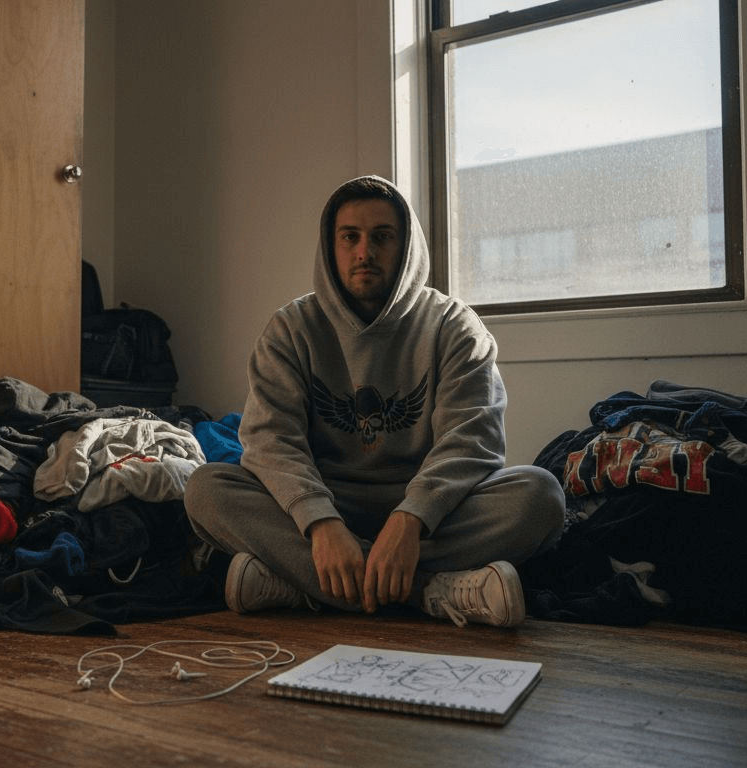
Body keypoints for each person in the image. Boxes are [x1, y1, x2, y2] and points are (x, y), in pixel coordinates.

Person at [184, 175, 565, 627]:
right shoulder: (290, 329)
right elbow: (270, 441)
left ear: (406, 246)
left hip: (431, 516)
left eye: (382, 237)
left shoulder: (453, 326)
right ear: (331, 246)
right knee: (205, 490)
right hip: (327, 507)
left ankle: (306, 587)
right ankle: (434, 591)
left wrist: (410, 521)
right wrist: (321, 525)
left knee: (540, 497)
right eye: (351, 237)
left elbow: (473, 439)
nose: (365, 252)